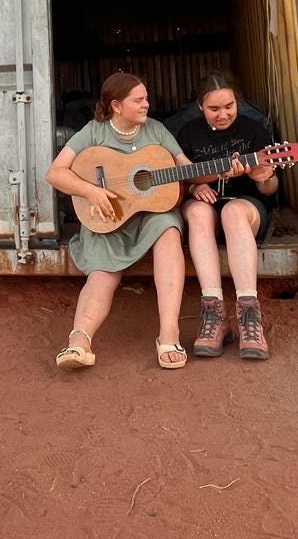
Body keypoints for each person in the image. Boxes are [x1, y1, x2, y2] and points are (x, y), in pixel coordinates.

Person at [46, 71, 192, 371]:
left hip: (150, 215)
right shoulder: (93, 131)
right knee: (102, 273)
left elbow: (187, 168)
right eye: (138, 100)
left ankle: (168, 334)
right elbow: (55, 173)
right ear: (116, 105)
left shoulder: (157, 130)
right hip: (108, 216)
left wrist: (225, 170)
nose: (146, 104)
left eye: (146, 98)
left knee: (168, 229)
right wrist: (92, 191)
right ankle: (79, 342)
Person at [177, 70, 278, 360]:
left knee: (233, 212)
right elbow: (178, 181)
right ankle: (214, 314)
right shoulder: (188, 133)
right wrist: (195, 186)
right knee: (196, 212)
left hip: (245, 209)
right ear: (200, 107)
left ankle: (249, 316)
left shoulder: (255, 130)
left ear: (237, 102)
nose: (223, 114)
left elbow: (270, 191)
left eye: (229, 106)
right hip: (207, 210)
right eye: (214, 109)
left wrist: (265, 176)